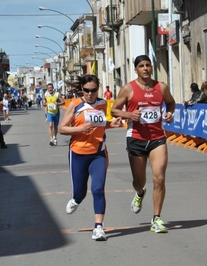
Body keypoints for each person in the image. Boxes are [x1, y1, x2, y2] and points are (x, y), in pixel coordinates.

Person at [111, 55, 175, 234]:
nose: (145, 68)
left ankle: (156, 218)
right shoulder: (128, 89)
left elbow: (170, 103)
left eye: (148, 65)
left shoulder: (161, 87)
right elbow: (114, 109)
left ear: (151, 68)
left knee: (159, 178)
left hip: (157, 138)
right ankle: (140, 193)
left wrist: (169, 114)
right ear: (136, 69)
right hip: (136, 138)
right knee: (139, 181)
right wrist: (129, 115)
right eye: (141, 66)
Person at [59, 74, 123, 241]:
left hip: (98, 153)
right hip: (78, 153)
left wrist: (112, 124)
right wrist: (80, 129)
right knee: (80, 192)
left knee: (97, 188)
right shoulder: (75, 105)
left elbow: (102, 124)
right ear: (82, 90)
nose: (89, 94)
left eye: (93, 90)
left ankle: (99, 227)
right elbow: (62, 129)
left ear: (98, 89)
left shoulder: (102, 104)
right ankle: (76, 199)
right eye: (86, 90)